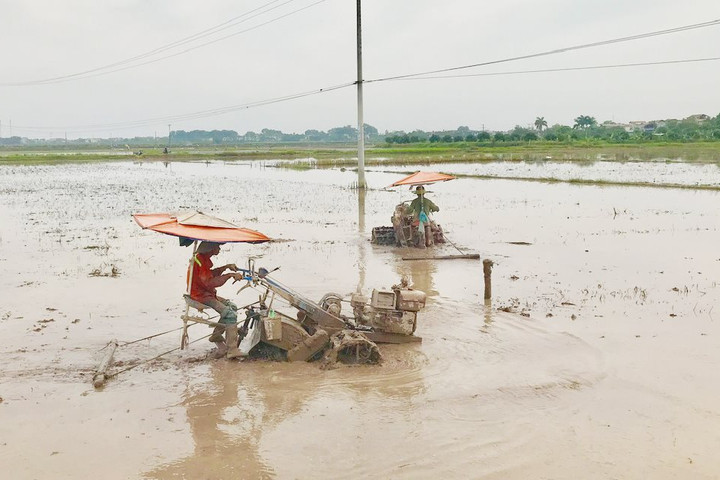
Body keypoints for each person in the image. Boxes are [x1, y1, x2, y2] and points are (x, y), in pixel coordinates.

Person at [188, 241, 244, 359]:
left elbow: (210, 275)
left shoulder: (201, 259)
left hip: (205, 292)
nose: (219, 249)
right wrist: (229, 276)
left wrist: (225, 267)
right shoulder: (199, 262)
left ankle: (216, 336)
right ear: (210, 248)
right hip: (200, 295)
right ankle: (232, 350)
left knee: (232, 306)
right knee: (230, 314)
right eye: (217, 246)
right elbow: (210, 282)